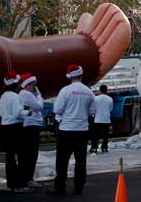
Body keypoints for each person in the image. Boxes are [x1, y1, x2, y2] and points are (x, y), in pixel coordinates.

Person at [48, 64, 96, 197]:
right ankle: (78, 188)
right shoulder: (88, 91)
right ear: (81, 75)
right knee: (80, 160)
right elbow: (92, 111)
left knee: (62, 160)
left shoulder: (65, 91)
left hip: (66, 129)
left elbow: (57, 110)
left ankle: (60, 187)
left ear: (69, 76)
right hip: (82, 129)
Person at [0, 70, 29, 193]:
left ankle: (11, 183)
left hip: (5, 127)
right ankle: (20, 184)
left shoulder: (3, 96)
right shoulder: (16, 97)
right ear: (16, 84)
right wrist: (28, 112)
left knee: (10, 157)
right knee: (22, 156)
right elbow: (18, 114)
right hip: (15, 127)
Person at [18, 73, 44, 188]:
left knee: (27, 154)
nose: (34, 87)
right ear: (27, 85)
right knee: (31, 154)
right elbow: (39, 107)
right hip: (31, 126)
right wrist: (39, 97)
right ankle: (28, 179)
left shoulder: (24, 94)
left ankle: (26, 178)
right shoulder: (27, 94)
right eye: (33, 85)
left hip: (30, 126)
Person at [90, 84, 113, 154]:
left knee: (96, 135)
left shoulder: (96, 98)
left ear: (100, 90)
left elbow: (93, 109)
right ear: (106, 90)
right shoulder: (110, 99)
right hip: (106, 119)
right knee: (105, 135)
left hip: (97, 119)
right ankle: (104, 147)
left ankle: (94, 148)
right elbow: (111, 109)